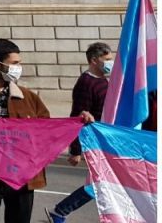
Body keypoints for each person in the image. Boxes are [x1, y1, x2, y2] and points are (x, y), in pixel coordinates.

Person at [0, 39, 92, 223]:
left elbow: (48, 130)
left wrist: (78, 122)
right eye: (14, 63)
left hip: (22, 177)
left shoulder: (28, 98)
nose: (19, 68)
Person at [45, 42, 113, 223]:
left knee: (103, 183)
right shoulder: (86, 83)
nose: (111, 62)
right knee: (98, 183)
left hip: (104, 140)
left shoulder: (104, 80)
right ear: (94, 60)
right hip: (94, 142)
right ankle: (60, 211)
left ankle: (60, 211)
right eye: (107, 59)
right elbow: (78, 117)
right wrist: (75, 150)